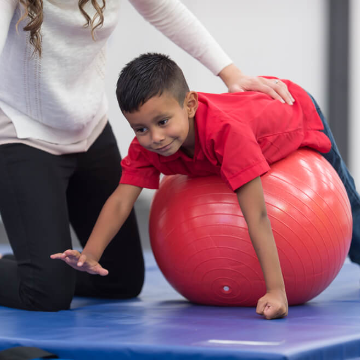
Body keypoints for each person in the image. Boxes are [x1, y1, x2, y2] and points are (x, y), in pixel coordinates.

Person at [0, 0, 295, 312]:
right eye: (144, 129)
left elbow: (162, 8)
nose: (155, 137)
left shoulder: (213, 130)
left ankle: (35, 262)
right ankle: (41, 272)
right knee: (46, 293)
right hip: (23, 132)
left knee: (119, 281)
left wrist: (230, 73)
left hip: (88, 127)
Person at [51, 53, 360, 320]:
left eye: (162, 122)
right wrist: (90, 254)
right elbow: (120, 200)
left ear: (190, 104)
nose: (155, 138)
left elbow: (258, 216)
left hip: (293, 107)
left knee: (346, 194)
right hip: (250, 113)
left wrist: (277, 292)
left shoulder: (227, 135)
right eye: (140, 128)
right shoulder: (147, 148)